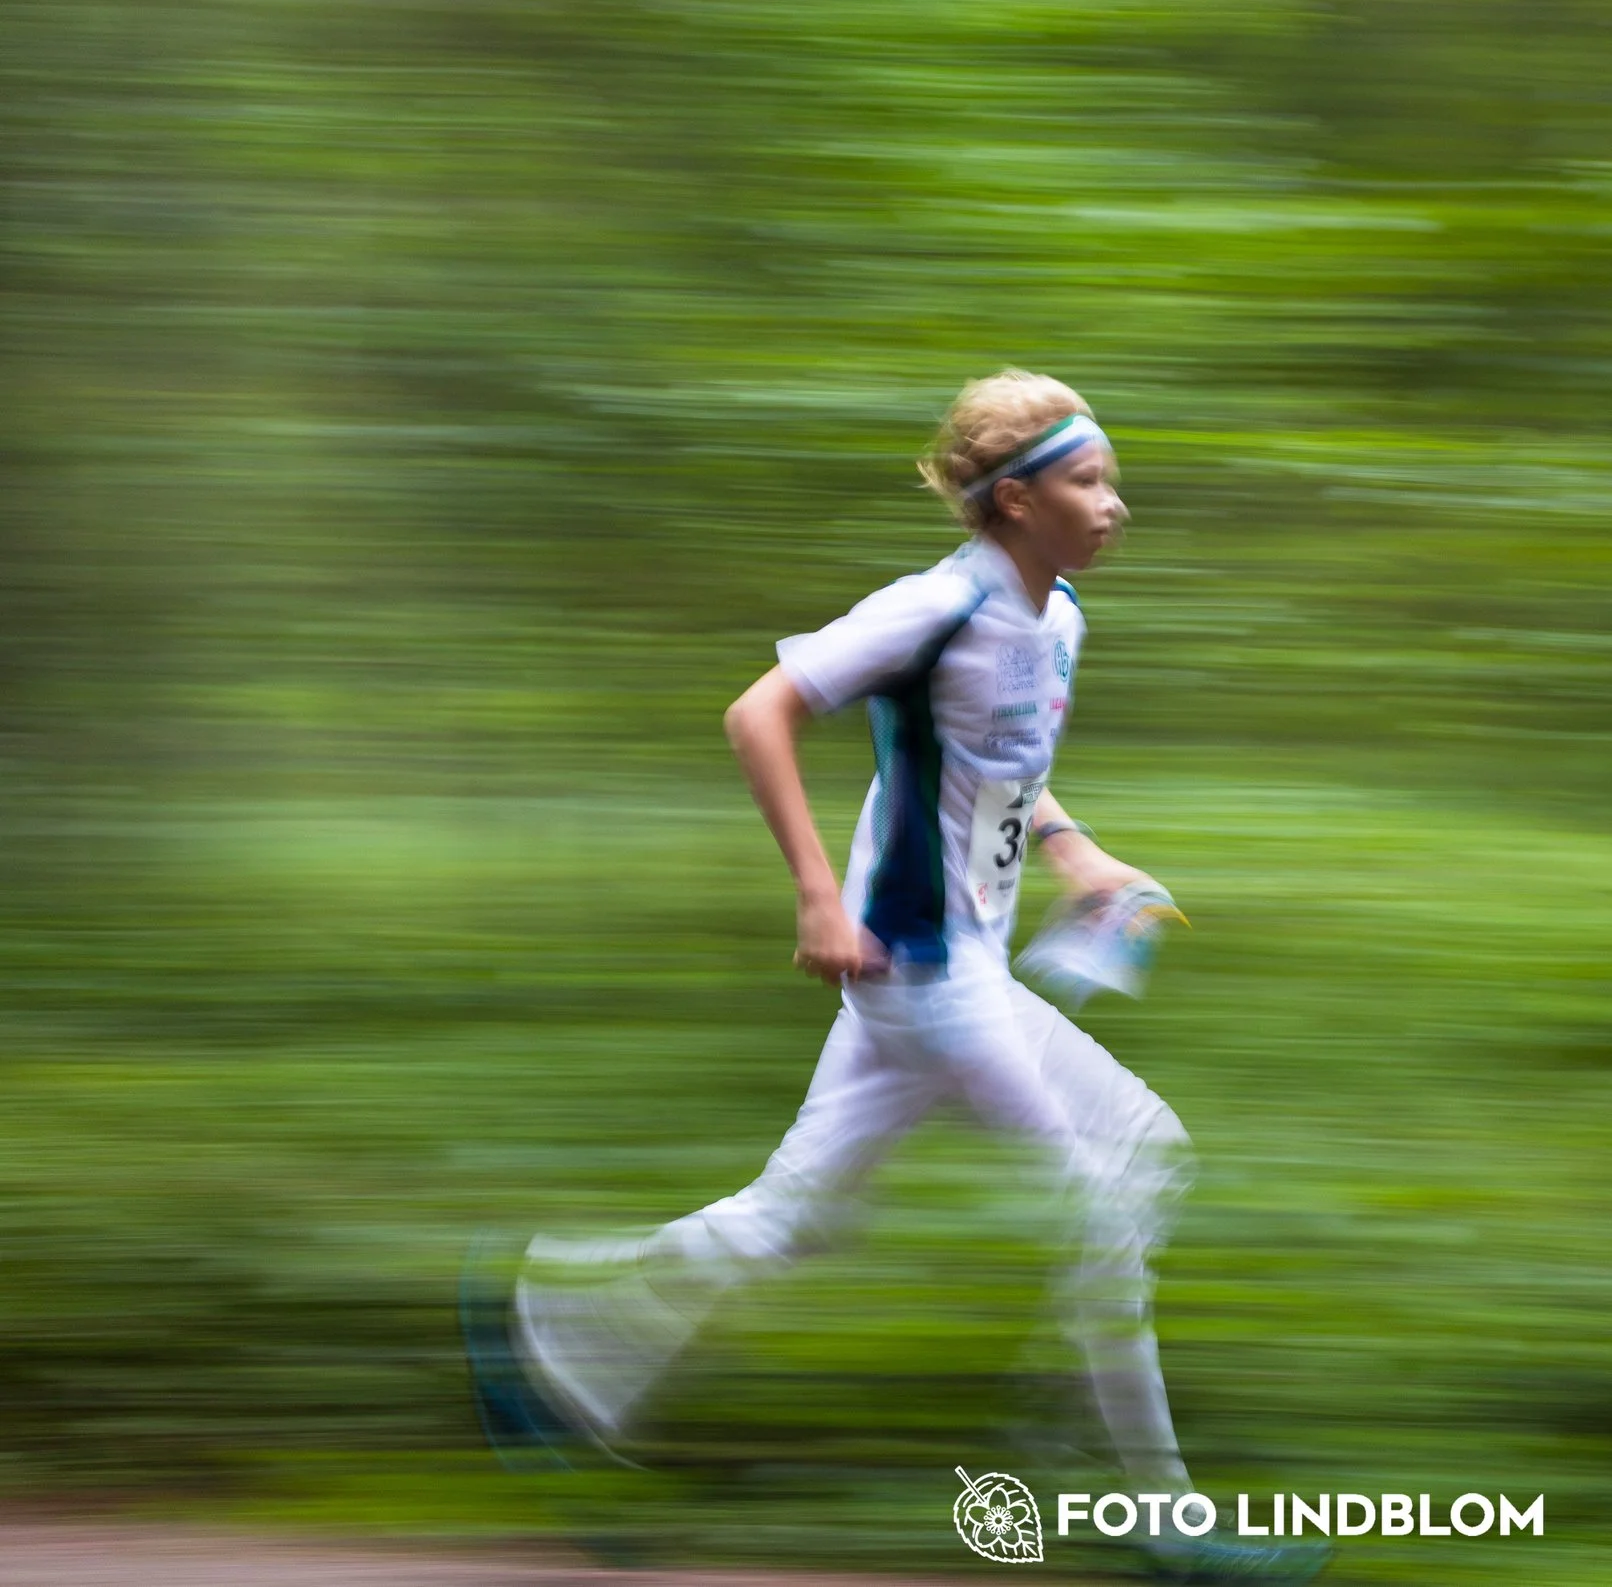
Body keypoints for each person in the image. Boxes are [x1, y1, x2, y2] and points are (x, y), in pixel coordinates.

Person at [463, 369, 1326, 1584]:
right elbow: (758, 711)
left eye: (1112, 479)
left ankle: (550, 1326)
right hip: (920, 966)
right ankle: (1155, 1516)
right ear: (1017, 500)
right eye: (1088, 480)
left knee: (805, 1214)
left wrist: (1077, 856)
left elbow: (999, 764)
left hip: (947, 967)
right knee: (1111, 1182)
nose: (1113, 503)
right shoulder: (934, 606)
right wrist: (819, 892)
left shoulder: (1058, 614)